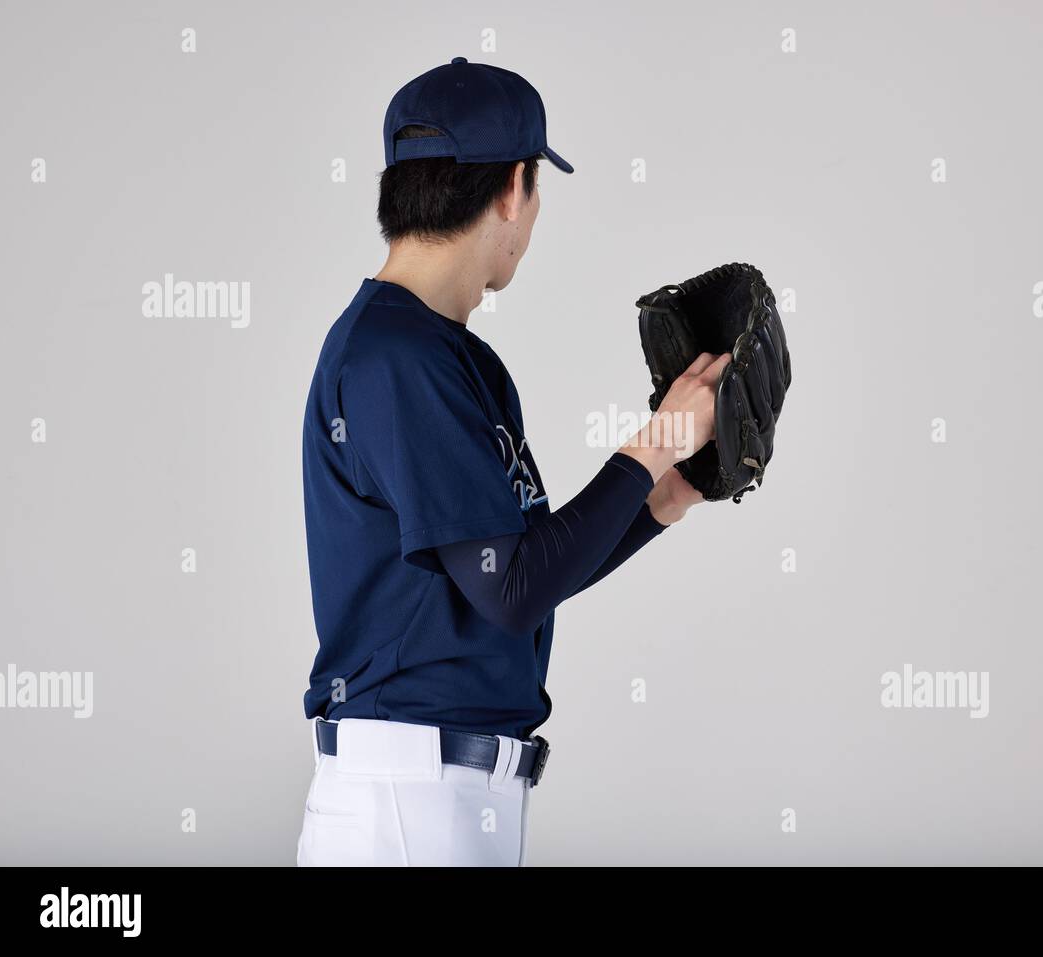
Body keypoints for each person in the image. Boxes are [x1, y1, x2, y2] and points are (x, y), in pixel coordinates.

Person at [296, 57, 728, 866]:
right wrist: (658, 438)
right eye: (537, 186)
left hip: (447, 799)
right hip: (406, 801)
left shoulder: (453, 359)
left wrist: (667, 495)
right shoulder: (394, 357)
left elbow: (529, 568)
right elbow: (512, 587)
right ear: (510, 190)